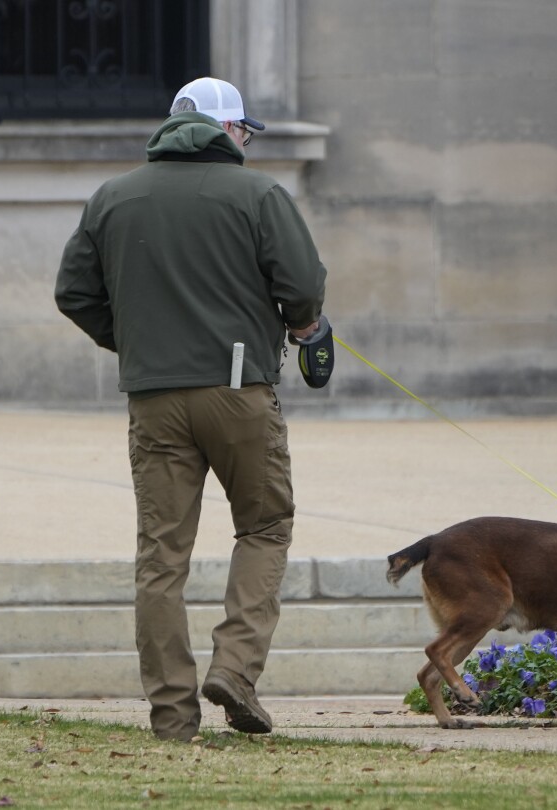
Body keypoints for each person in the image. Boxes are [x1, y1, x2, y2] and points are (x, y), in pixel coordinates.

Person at [55, 77, 326, 741]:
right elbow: (303, 288)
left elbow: (74, 293)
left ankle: (172, 714)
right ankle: (234, 667)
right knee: (264, 527)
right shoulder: (259, 193)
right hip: (238, 390)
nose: (248, 140)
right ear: (227, 130)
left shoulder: (112, 197)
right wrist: (301, 327)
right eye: (246, 130)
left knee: (161, 559)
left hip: (152, 395)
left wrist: (137, 342)